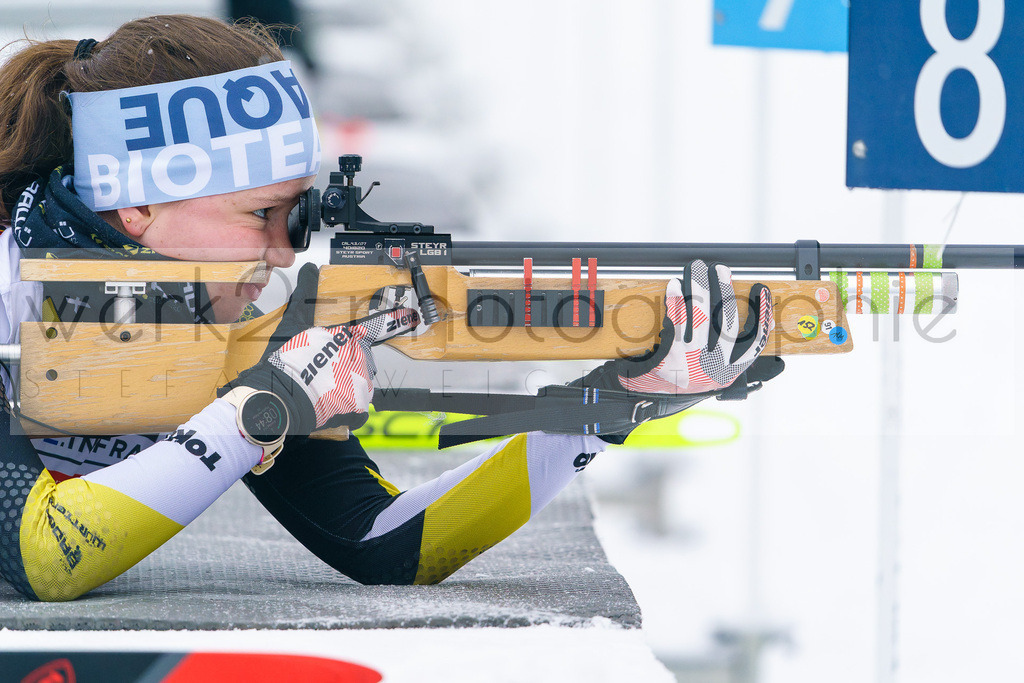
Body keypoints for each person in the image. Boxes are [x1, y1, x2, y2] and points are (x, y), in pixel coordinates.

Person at [0, 15, 777, 602]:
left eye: (296, 217)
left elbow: (386, 543)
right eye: (257, 216)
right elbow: (48, 556)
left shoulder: (231, 333)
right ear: (136, 205)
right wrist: (255, 415)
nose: (284, 252)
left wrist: (608, 406)